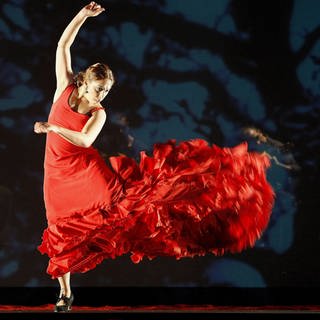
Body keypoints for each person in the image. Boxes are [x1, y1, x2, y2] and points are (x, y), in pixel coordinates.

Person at [34, 2, 275, 313]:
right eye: (98, 89)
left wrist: (52, 126)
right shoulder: (64, 88)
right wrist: (83, 15)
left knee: (125, 207)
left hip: (84, 169)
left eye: (106, 90)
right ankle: (65, 293)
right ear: (83, 83)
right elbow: (63, 44)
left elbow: (84, 139)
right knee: (59, 226)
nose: (102, 95)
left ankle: (190, 209)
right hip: (55, 173)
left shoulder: (98, 113)